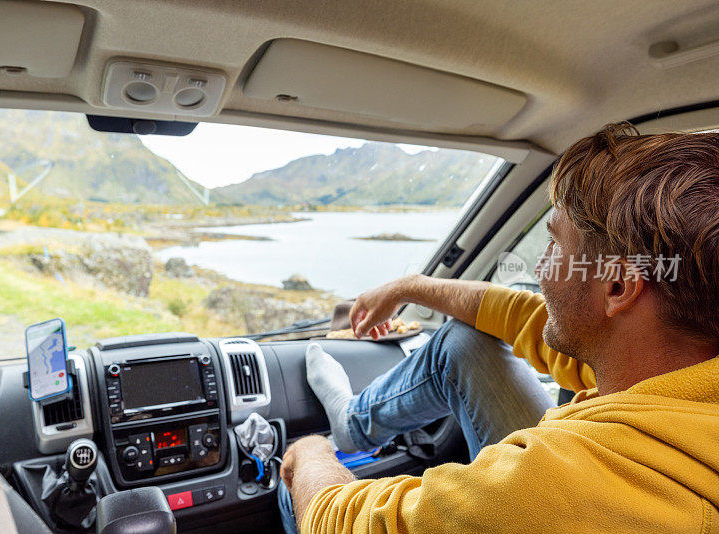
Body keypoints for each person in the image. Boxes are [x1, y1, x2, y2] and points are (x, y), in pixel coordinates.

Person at [278, 123, 719, 533]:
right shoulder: (680, 367)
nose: (542, 267)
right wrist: (412, 286)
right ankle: (353, 424)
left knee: (293, 488)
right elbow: (520, 316)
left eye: (554, 244)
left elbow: (340, 520)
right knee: (463, 341)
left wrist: (310, 452)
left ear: (619, 286)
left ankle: (336, 435)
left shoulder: (553, 489)